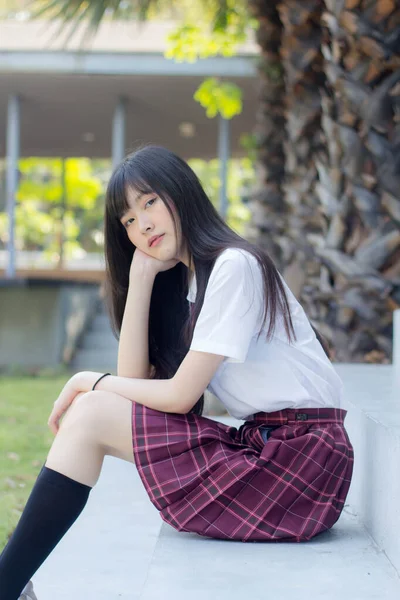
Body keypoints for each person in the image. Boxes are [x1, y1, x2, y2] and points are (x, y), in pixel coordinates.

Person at [0, 145, 354, 600]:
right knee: (93, 412)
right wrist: (143, 278)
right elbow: (134, 387)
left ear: (181, 192)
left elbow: (180, 396)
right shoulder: (195, 283)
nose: (141, 224)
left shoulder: (234, 266)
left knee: (89, 411)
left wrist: (88, 379)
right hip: (275, 450)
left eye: (149, 202)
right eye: (127, 219)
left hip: (300, 462)